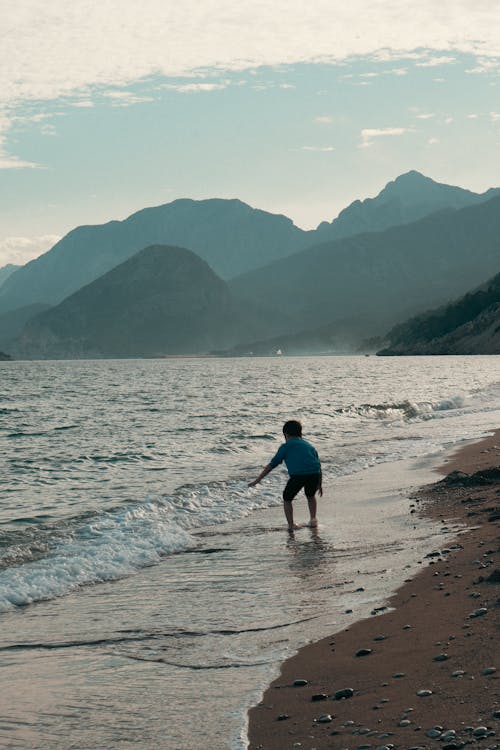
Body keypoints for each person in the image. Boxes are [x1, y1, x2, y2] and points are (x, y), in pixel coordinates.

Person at [248, 420, 322, 531]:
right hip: (314, 474)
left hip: (298, 476)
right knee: (310, 496)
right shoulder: (308, 445)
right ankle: (313, 520)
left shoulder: (285, 447)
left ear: (285, 434)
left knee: (287, 499)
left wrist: (257, 480)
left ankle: (291, 525)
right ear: (300, 433)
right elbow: (317, 463)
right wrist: (319, 484)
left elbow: (272, 465)